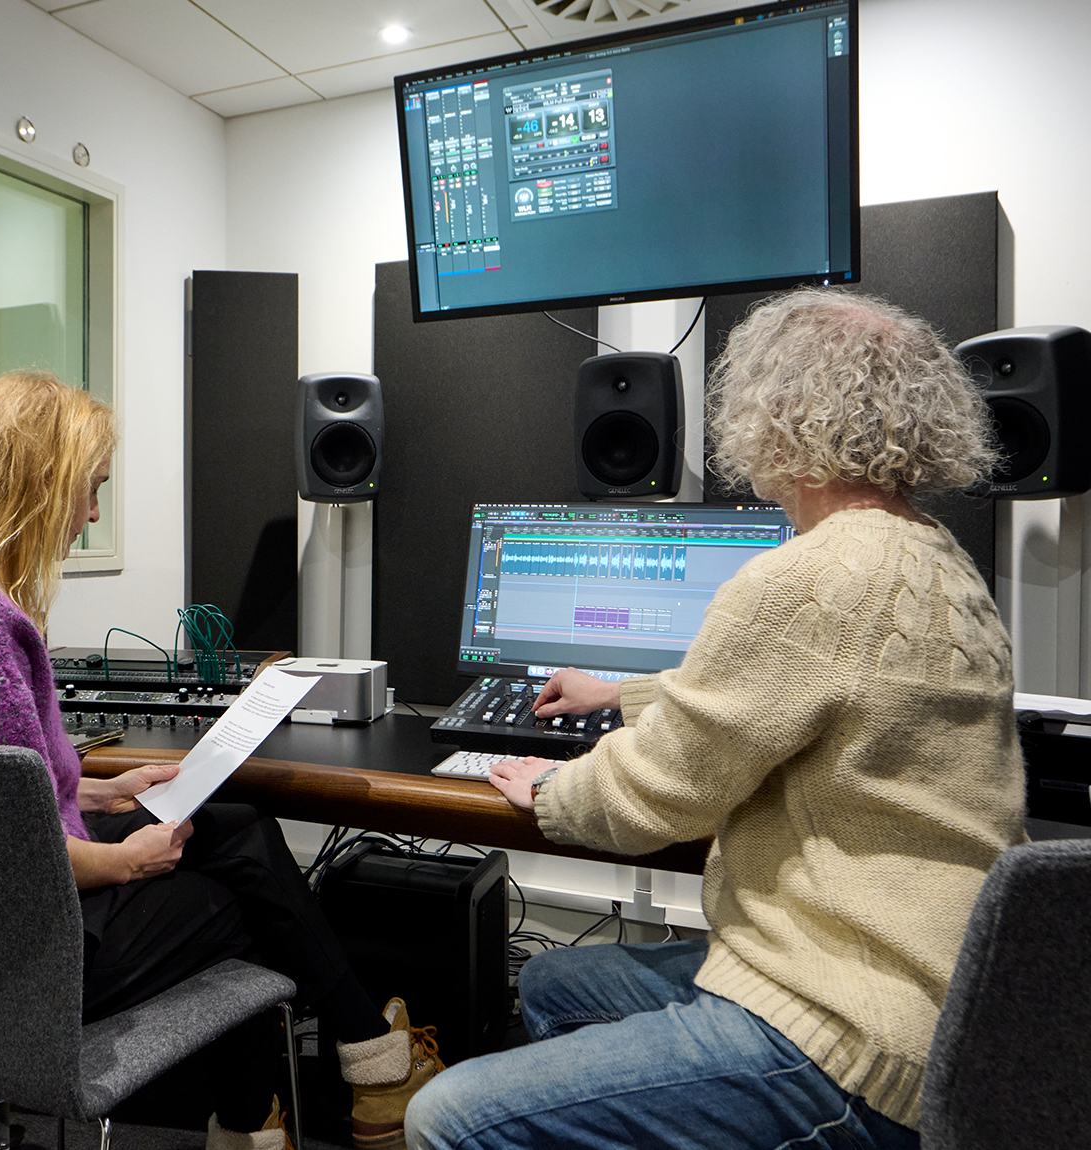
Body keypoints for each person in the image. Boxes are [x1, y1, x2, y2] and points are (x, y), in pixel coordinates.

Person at [405, 289, 1026, 1150]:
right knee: (554, 984)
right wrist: (621, 695)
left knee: (447, 1116)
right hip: (949, 1005)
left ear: (774, 418)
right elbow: (811, 692)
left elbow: (655, 797)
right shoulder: (936, 563)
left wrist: (551, 789)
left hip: (845, 1028)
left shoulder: (804, 578)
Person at [0, 369, 442, 1150]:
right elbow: (8, 852)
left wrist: (104, 793)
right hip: (8, 963)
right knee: (238, 905)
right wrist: (126, 864)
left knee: (235, 823)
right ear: (41, 484)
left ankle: (352, 1066)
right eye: (89, 490)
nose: (88, 517)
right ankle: (314, 1100)